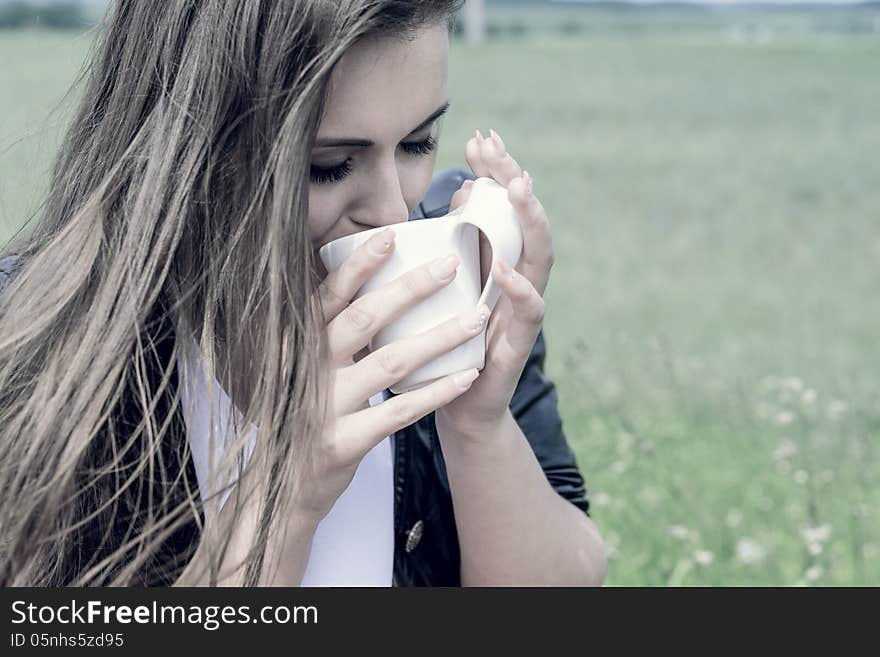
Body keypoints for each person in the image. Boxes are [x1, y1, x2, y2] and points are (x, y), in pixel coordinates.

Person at [0, 0, 606, 586]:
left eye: (419, 143)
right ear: (191, 149)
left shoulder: (459, 264)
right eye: (330, 165)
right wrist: (284, 499)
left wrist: (476, 424)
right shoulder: (37, 348)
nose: (394, 211)